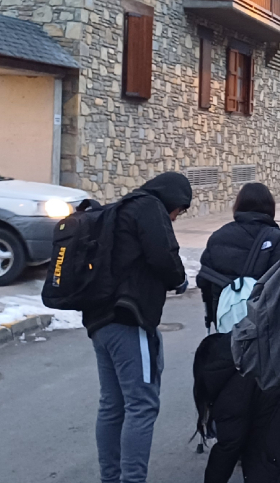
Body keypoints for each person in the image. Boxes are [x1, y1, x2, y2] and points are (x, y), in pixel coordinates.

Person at [83, 172, 193, 483]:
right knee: (142, 405)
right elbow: (163, 255)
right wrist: (179, 279)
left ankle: (112, 477)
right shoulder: (149, 208)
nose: (175, 217)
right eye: (179, 211)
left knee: (112, 404)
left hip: (99, 321)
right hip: (130, 319)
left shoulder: (120, 208)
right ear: (173, 200)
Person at [193, 182, 280, 483]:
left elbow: (205, 283)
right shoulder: (275, 239)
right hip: (262, 346)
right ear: (269, 209)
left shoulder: (219, 236)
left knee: (231, 422)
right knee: (262, 428)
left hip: (224, 343)